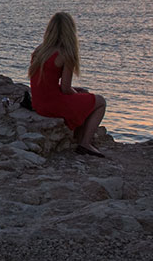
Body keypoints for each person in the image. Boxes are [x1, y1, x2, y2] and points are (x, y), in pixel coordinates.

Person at [28, 11, 108, 158]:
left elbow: (46, 84)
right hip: (52, 105)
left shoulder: (40, 50)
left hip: (38, 103)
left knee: (84, 94)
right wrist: (77, 94)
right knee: (100, 101)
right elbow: (66, 88)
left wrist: (78, 92)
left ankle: (78, 137)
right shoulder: (65, 54)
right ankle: (85, 143)